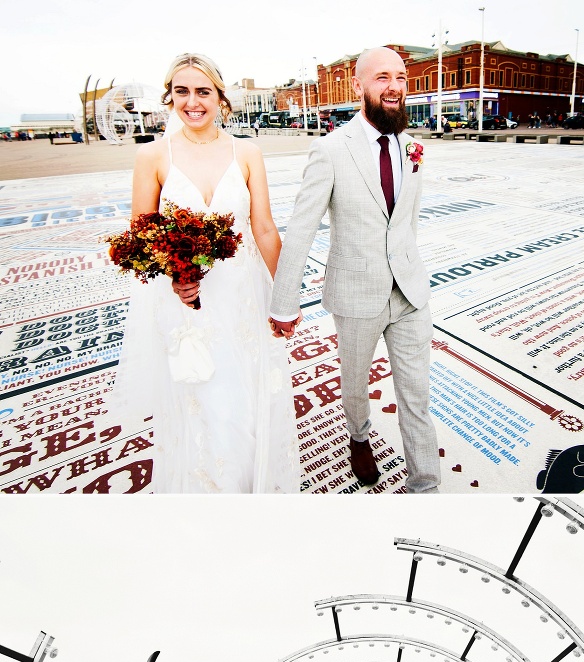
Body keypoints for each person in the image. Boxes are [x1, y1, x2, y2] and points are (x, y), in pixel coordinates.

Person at [114, 52, 299, 493]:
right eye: (182, 91)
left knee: (248, 397)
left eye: (203, 91)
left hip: (245, 296)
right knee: (206, 399)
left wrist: (286, 295)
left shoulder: (248, 152)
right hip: (186, 302)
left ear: (220, 97)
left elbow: (265, 227)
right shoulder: (153, 156)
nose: (192, 101)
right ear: (169, 97)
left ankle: (254, 489)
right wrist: (176, 276)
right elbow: (142, 234)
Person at [269, 46, 440, 494]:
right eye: (382, 77)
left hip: (409, 295)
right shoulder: (329, 150)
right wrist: (284, 304)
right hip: (357, 293)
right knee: (355, 383)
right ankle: (359, 436)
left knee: (417, 397)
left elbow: (407, 220)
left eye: (400, 77)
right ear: (359, 85)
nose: (395, 86)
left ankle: (427, 488)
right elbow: (302, 229)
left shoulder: (413, 148)